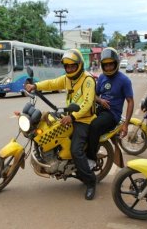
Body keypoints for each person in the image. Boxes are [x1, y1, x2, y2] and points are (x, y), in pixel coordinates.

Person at [25, 49, 97, 200]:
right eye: (67, 66)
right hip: (68, 115)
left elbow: (87, 102)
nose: (70, 69)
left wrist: (73, 117)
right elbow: (52, 83)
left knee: (76, 150)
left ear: (79, 65)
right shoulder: (67, 79)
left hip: (83, 120)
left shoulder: (88, 79)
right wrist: (35, 86)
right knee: (48, 129)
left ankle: (90, 182)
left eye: (72, 66)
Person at [87, 47, 134, 165]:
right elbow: (94, 95)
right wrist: (100, 100)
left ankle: (91, 159)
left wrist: (126, 125)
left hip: (112, 114)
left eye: (111, 65)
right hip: (100, 109)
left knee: (94, 126)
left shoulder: (124, 80)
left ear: (116, 64)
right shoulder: (102, 77)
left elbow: (130, 101)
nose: (108, 67)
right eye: (106, 65)